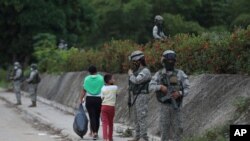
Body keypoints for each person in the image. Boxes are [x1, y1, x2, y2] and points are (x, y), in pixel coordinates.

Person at [149, 50, 190, 141]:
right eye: (168, 60)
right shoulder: (159, 74)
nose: (170, 62)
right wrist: (160, 87)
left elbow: (187, 88)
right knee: (164, 130)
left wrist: (179, 93)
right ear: (164, 61)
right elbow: (150, 86)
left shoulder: (180, 73)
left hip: (176, 106)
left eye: (172, 60)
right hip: (164, 106)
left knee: (178, 129)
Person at [127, 50, 151, 141]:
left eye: (134, 61)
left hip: (142, 95)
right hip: (136, 95)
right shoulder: (137, 71)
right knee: (136, 117)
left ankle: (144, 137)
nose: (133, 64)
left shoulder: (145, 71)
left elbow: (137, 80)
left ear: (139, 61)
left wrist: (130, 75)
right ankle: (137, 136)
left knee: (142, 116)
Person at [80, 65, 104, 140]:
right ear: (96, 70)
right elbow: (104, 88)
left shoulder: (86, 79)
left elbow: (84, 89)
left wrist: (81, 98)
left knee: (92, 116)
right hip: (99, 99)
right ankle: (96, 132)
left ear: (89, 72)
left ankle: (94, 133)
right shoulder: (101, 78)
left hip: (89, 99)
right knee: (97, 116)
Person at [101, 73, 118, 141]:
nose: (114, 79)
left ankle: (105, 138)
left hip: (104, 107)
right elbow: (116, 95)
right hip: (111, 107)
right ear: (109, 80)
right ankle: (110, 138)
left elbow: (102, 98)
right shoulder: (115, 87)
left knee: (104, 123)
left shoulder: (103, 88)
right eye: (112, 78)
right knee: (110, 123)